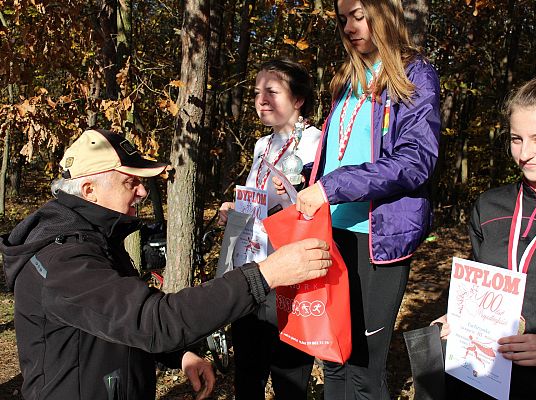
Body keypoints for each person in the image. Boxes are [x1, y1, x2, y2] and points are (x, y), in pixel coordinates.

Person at [0, 128, 332, 400]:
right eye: (131, 181)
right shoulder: (65, 260)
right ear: (89, 189)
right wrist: (266, 274)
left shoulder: (91, 237)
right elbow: (154, 321)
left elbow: (115, 319)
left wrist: (178, 356)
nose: (143, 191)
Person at [273, 1, 440, 398]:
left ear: (384, 14)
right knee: (332, 357)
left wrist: (331, 187)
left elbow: (417, 160)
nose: (349, 26)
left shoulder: (415, 74)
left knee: (364, 367)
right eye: (343, 18)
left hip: (377, 240)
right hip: (331, 233)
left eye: (358, 16)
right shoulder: (348, 77)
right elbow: (344, 151)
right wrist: (306, 178)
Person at [218, 58, 321, 400]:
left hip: (291, 273)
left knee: (288, 374)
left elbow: (321, 210)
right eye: (257, 91)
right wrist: (236, 211)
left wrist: (293, 200)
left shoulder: (316, 143)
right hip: (252, 267)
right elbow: (259, 202)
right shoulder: (262, 146)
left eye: (272, 91)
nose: (261, 99)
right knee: (248, 369)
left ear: (298, 100)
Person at [432, 76, 536, 399]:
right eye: (516, 139)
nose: (525, 153)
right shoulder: (489, 206)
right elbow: (482, 283)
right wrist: (460, 319)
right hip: (486, 375)